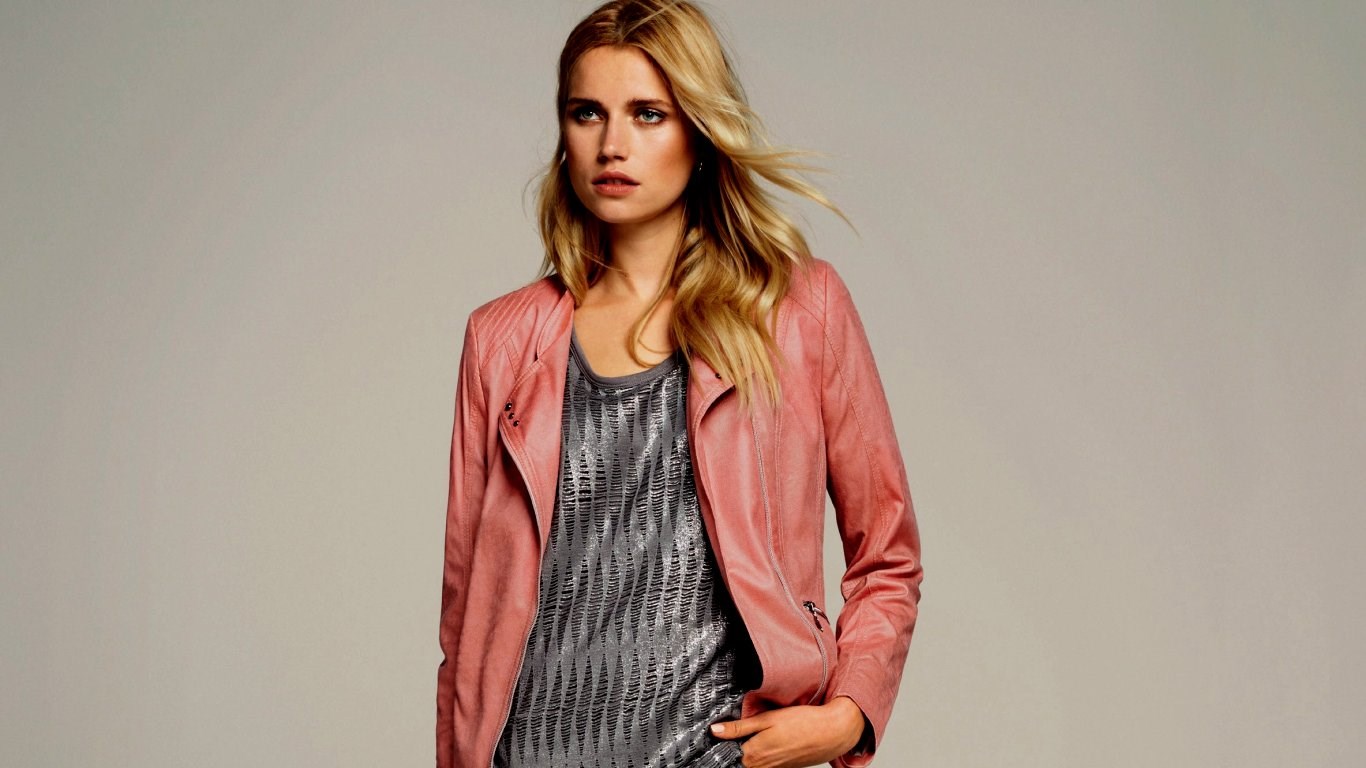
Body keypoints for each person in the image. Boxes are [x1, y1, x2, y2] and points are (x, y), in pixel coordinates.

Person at [436, 2, 922, 766]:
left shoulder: (796, 311)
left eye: (648, 114)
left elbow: (887, 554)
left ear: (698, 131)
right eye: (587, 113)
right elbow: (468, 619)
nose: (613, 143)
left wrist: (848, 714)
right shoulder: (501, 341)